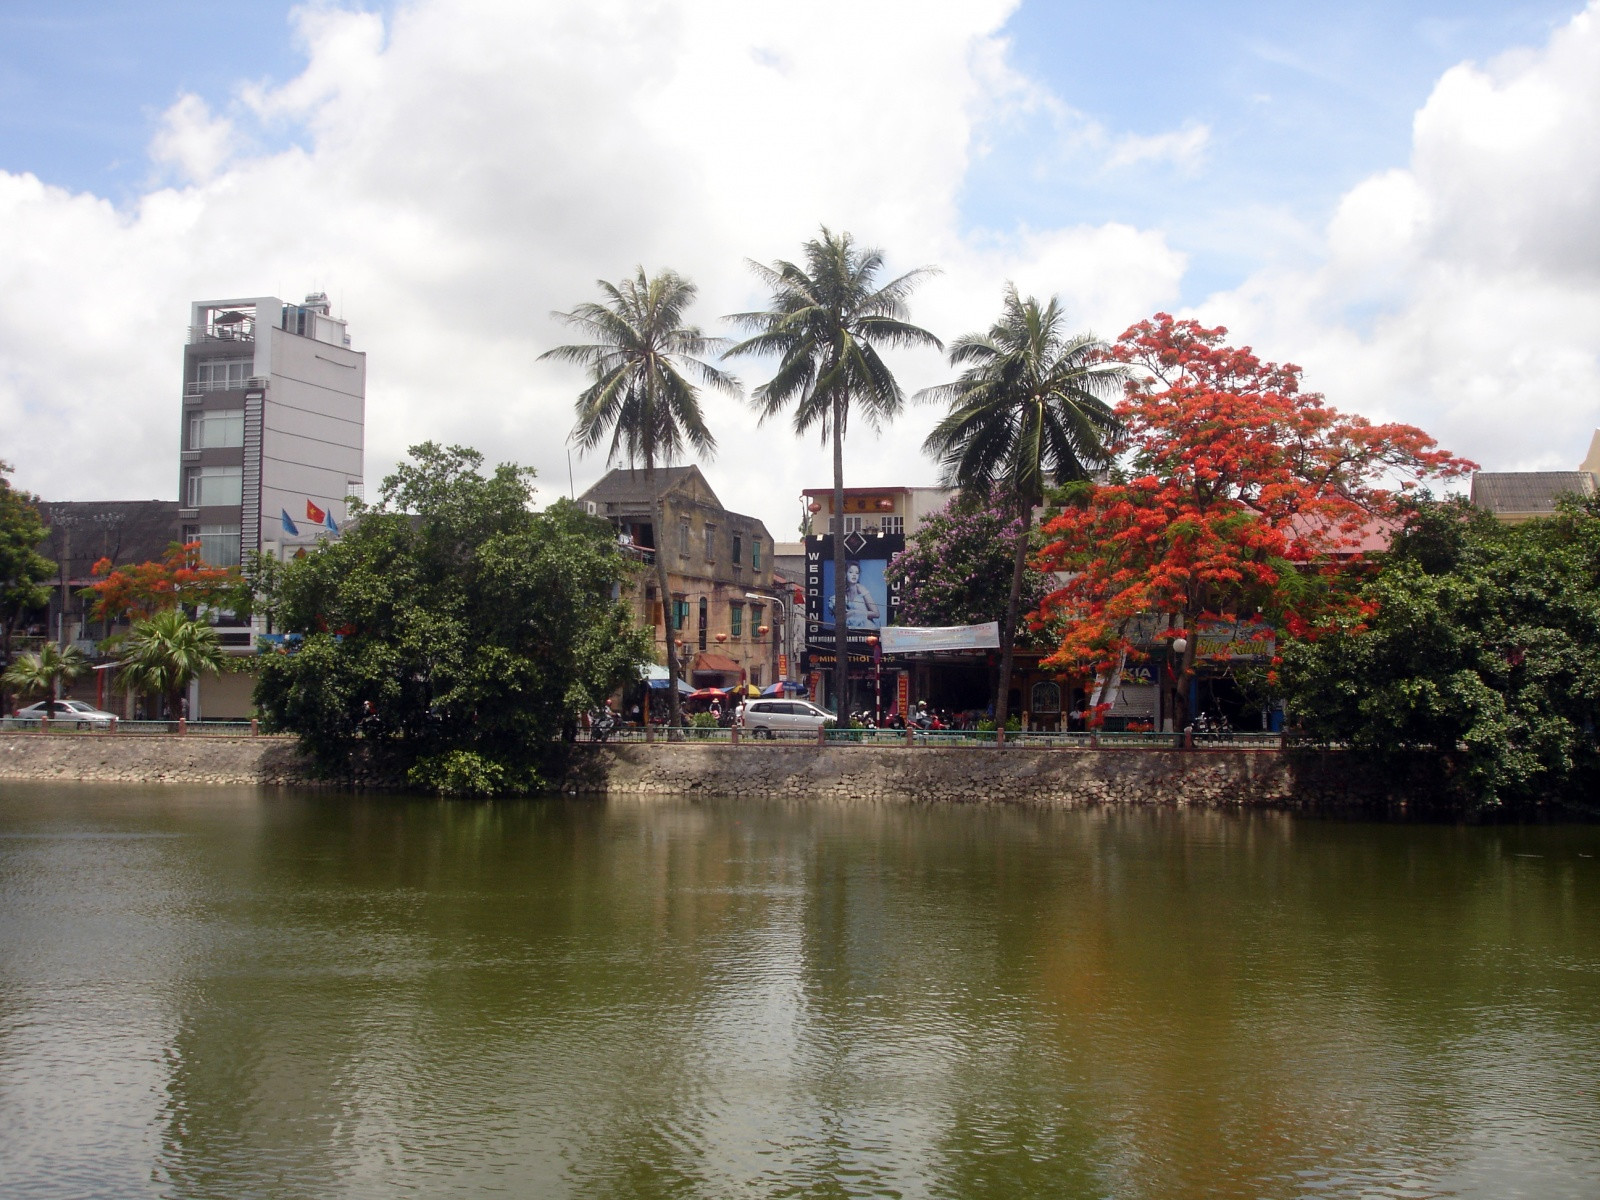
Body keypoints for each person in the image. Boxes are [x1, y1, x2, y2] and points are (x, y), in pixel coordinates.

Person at [827, 560, 881, 629]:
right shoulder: (841, 594)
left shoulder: (861, 589)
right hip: (848, 631)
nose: (854, 575)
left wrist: (855, 613)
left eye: (857, 573)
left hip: (866, 629)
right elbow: (840, 618)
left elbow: (876, 614)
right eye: (850, 572)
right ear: (845, 574)